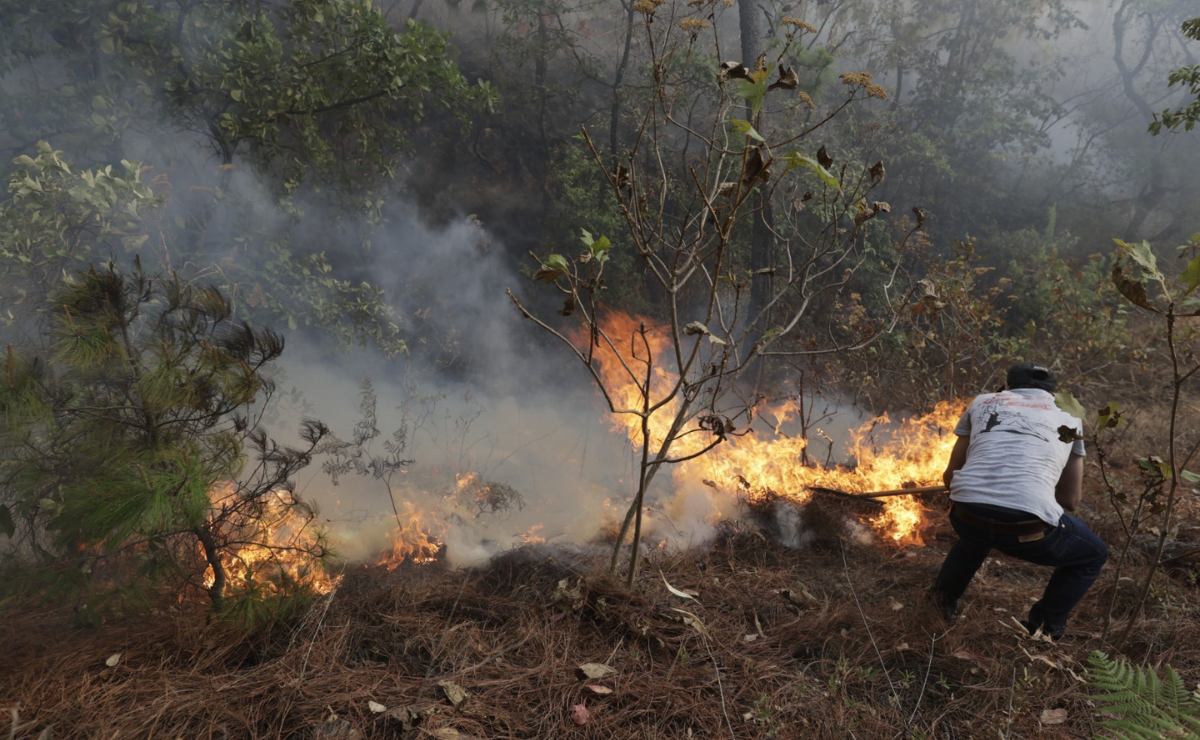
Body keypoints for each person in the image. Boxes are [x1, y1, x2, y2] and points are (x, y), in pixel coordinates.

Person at [928, 361, 1108, 639]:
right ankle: (1043, 629)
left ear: (1007, 384)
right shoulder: (1070, 418)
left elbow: (951, 479)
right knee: (1093, 554)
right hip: (1026, 530)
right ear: (1053, 393)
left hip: (966, 516)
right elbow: (1071, 500)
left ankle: (938, 604)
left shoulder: (983, 402)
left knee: (977, 534)